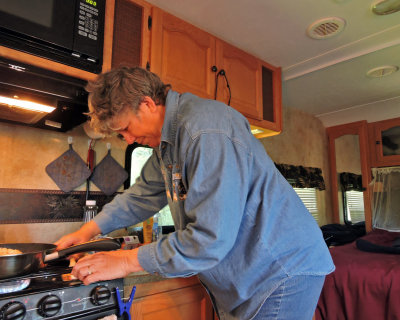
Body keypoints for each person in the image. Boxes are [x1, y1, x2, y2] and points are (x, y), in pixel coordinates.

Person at [55, 66, 334, 320]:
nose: (127, 139)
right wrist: (88, 231)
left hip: (279, 270)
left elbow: (210, 239)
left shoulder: (205, 130)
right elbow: (141, 195)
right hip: (254, 276)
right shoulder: (168, 144)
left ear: (148, 104)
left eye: (126, 128)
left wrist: (126, 261)